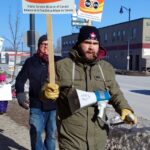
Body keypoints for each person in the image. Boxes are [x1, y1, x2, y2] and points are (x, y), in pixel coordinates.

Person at [42, 26, 138, 150]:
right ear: (79, 43)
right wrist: (46, 93)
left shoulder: (105, 68)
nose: (91, 47)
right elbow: (44, 92)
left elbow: (115, 93)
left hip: (99, 136)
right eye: (87, 42)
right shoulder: (62, 66)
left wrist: (124, 109)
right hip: (71, 137)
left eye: (95, 43)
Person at [15, 35, 57, 150]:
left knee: (52, 134)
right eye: (43, 44)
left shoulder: (58, 61)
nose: (46, 47)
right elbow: (20, 79)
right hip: (36, 104)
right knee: (36, 133)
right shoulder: (30, 62)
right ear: (39, 46)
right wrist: (20, 95)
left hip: (53, 106)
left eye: (49, 45)